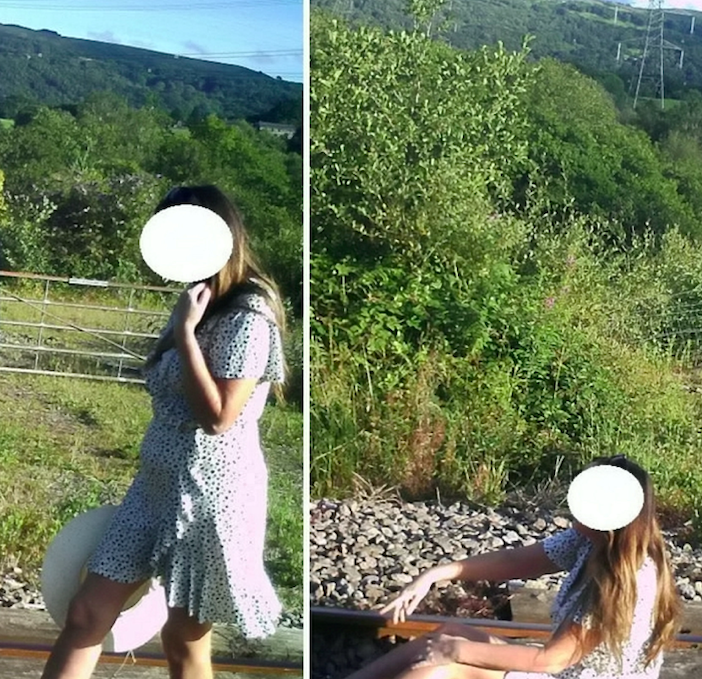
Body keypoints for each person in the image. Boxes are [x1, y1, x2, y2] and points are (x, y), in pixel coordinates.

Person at [40, 185, 289, 679]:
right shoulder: (201, 300)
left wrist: (185, 334)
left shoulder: (248, 314)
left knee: (184, 639)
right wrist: (186, 325)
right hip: (154, 487)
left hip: (209, 497)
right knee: (87, 611)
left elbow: (218, 417)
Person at [346, 454, 681, 679]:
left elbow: (551, 660)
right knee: (449, 632)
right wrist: (435, 574)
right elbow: (514, 561)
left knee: (440, 668)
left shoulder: (630, 577)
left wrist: (454, 652)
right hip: (562, 672)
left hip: (561, 672)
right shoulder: (588, 542)